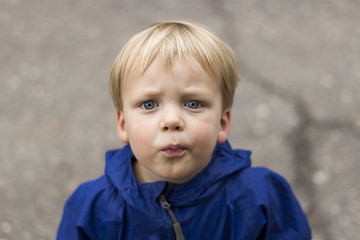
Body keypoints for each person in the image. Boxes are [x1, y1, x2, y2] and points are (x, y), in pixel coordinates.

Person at [57, 20, 311, 240]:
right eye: (149, 104)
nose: (171, 120)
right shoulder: (90, 209)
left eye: (193, 103)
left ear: (222, 123)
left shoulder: (261, 197)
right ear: (123, 124)